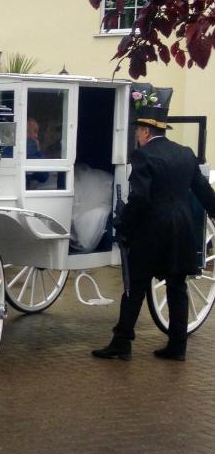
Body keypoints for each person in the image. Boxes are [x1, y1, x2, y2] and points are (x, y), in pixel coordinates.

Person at [92, 97, 215, 362]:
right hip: (182, 229)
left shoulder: (144, 155)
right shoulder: (185, 152)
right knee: (177, 287)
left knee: (134, 287)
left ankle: (122, 343)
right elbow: (204, 193)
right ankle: (177, 346)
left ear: (146, 132)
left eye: (137, 131)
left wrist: (123, 224)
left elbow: (140, 198)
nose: (136, 135)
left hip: (152, 231)